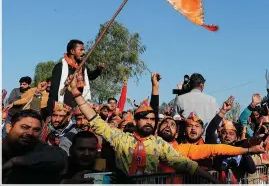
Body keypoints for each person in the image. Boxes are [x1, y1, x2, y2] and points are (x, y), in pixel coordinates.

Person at [67, 74, 218, 183]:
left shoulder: (159, 144)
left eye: (152, 119)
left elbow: (186, 164)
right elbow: (95, 120)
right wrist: (75, 94)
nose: (149, 122)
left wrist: (214, 181)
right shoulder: (120, 138)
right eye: (144, 118)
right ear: (136, 120)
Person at [2, 110, 68, 184]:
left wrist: (20, 160)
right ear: (9, 127)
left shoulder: (37, 146)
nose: (30, 133)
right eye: (24, 127)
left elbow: (61, 156)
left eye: (36, 130)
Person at [47, 39, 104, 115]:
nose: (83, 52)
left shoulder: (82, 67)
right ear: (72, 51)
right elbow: (54, 91)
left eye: (83, 50)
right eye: (81, 50)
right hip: (63, 109)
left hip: (78, 107)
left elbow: (90, 76)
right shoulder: (60, 67)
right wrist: (59, 108)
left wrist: (98, 70)